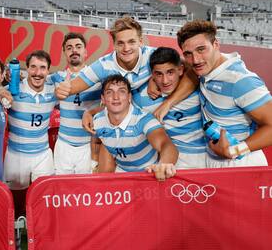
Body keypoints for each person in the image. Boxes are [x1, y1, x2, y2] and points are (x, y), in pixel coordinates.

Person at [55, 16, 197, 130]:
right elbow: (71, 88)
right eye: (120, 43)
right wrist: (62, 90)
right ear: (114, 45)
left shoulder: (153, 55)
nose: (126, 48)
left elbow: (193, 70)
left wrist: (159, 89)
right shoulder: (103, 65)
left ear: (140, 41)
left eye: (131, 42)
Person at [177, 20, 272, 167]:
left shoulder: (241, 80)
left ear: (216, 44)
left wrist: (235, 150)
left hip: (241, 164)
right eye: (188, 54)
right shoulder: (207, 69)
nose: (195, 60)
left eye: (201, 49)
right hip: (213, 161)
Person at [132, 47, 207, 169]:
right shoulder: (142, 98)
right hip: (166, 162)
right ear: (152, 74)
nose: (165, 81)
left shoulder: (196, 89)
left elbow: (195, 68)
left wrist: (167, 103)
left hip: (203, 160)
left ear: (181, 70)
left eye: (170, 72)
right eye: (158, 74)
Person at [93, 75, 178, 181]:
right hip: (122, 172)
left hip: (149, 173)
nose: (116, 97)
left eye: (122, 91)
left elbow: (166, 144)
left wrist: (164, 164)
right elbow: (97, 140)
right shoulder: (97, 120)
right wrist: (94, 161)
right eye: (109, 92)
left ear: (129, 97)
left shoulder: (144, 119)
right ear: (103, 99)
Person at [48, 32, 101, 174]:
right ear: (65, 53)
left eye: (78, 46)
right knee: (62, 190)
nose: (74, 50)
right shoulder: (57, 77)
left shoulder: (97, 78)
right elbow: (32, 83)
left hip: (88, 145)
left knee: (85, 191)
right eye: (69, 48)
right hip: (63, 145)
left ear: (85, 52)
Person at [4, 50, 57, 190]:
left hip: (43, 155)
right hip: (16, 155)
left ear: (48, 71)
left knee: (43, 197)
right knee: (15, 201)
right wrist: (2, 81)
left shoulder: (54, 91)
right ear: (26, 68)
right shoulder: (12, 90)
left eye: (42, 68)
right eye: (33, 67)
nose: (37, 72)